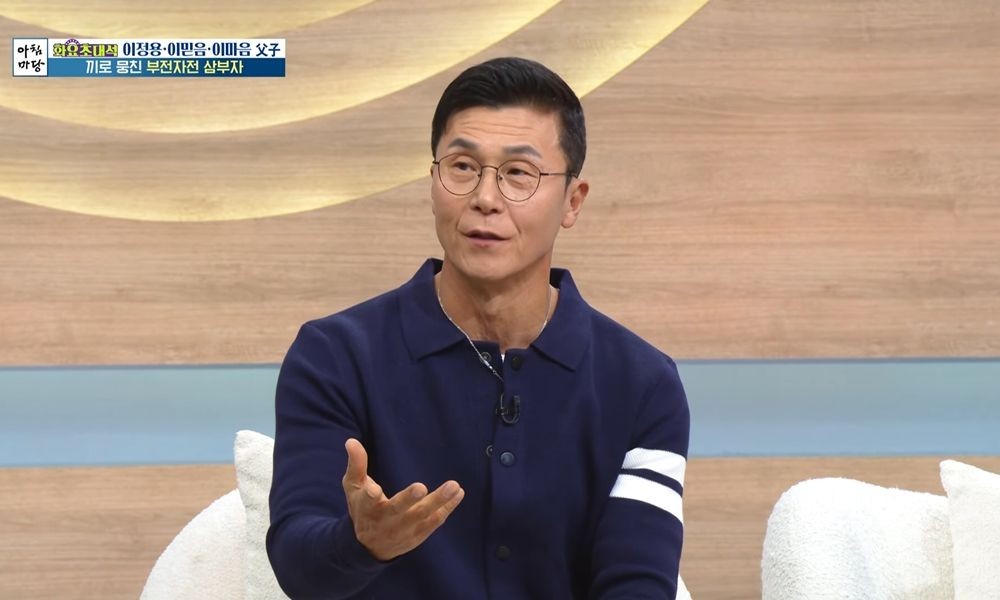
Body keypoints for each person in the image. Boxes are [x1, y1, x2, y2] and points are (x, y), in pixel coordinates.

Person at [267, 56, 690, 599]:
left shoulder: (643, 384)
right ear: (433, 181)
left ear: (572, 201)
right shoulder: (334, 356)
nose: (485, 198)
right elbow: (298, 568)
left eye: (519, 173)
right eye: (463, 166)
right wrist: (362, 544)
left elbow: (637, 585)